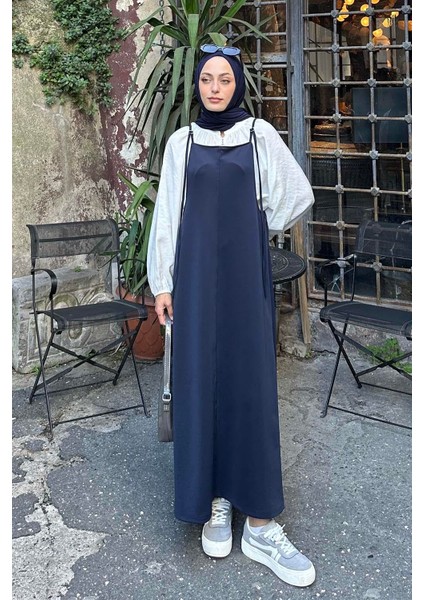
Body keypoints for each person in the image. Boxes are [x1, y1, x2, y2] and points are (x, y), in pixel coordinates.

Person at [147, 44, 316, 588]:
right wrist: (162, 282)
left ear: (237, 84)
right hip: (195, 282)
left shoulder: (259, 135)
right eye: (206, 80)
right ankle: (216, 499)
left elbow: (296, 194)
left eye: (224, 79)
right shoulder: (182, 142)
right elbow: (168, 213)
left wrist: (259, 222)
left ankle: (260, 524)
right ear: (197, 86)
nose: (215, 88)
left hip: (246, 280)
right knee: (201, 382)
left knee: (249, 384)